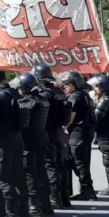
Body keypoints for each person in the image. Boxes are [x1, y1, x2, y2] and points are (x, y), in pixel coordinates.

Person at [0, 69, 27, 217]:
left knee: (3, 175)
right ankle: (24, 212)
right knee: (18, 174)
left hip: (3, 139)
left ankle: (11, 214)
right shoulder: (16, 93)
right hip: (17, 137)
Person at [33, 65, 71, 209]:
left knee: (50, 164)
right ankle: (64, 197)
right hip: (59, 131)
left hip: (48, 131)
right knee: (60, 164)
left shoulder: (44, 93)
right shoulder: (58, 91)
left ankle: (55, 198)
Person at [16, 74, 53, 217]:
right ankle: (46, 205)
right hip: (42, 137)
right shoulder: (42, 99)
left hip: (30, 140)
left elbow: (23, 124)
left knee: (29, 173)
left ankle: (34, 205)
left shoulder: (28, 101)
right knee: (41, 171)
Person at [58, 71, 97, 200]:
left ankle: (87, 190)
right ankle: (86, 190)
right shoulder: (84, 95)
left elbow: (70, 117)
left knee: (78, 162)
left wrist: (62, 127)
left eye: (68, 84)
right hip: (85, 132)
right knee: (80, 161)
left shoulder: (75, 97)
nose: (65, 86)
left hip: (78, 133)